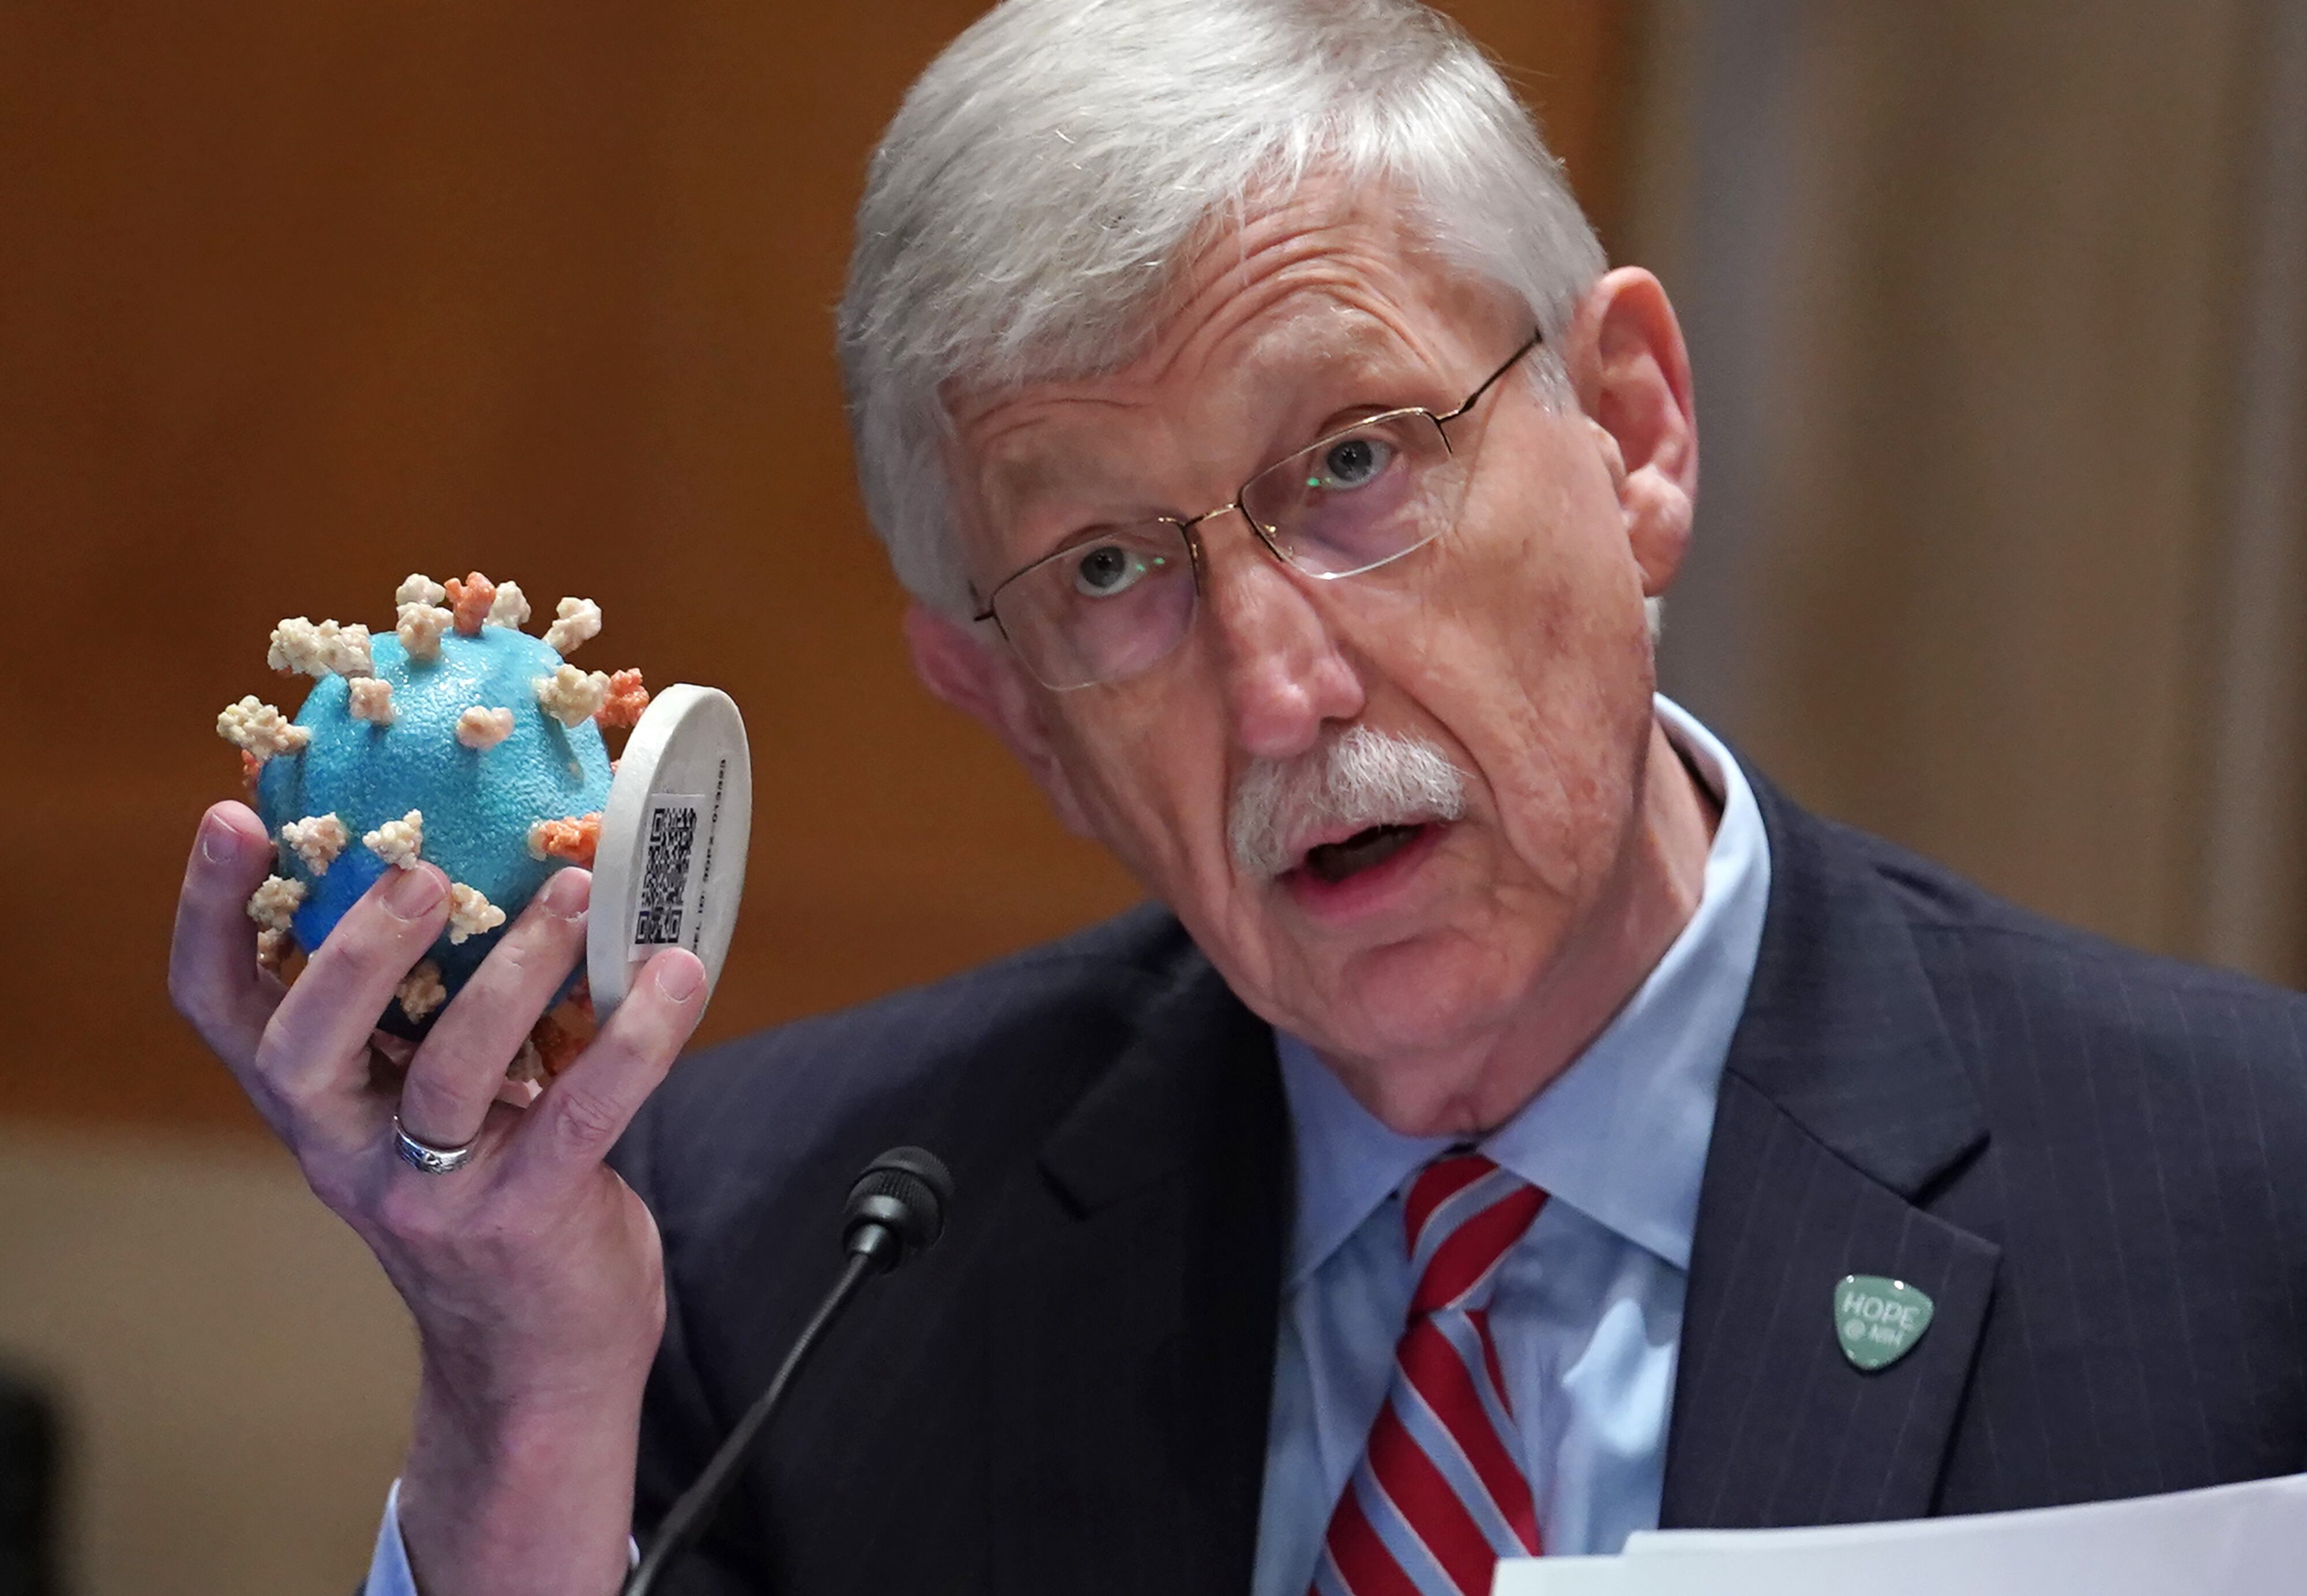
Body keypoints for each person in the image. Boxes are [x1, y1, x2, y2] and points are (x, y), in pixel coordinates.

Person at [166, 2, 2307, 1593]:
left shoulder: (2244, 1207)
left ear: (1634, 433)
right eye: (1108, 570)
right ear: (1012, 711)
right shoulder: (791, 1258)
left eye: (1356, 461)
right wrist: (524, 1393)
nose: (1280, 688)